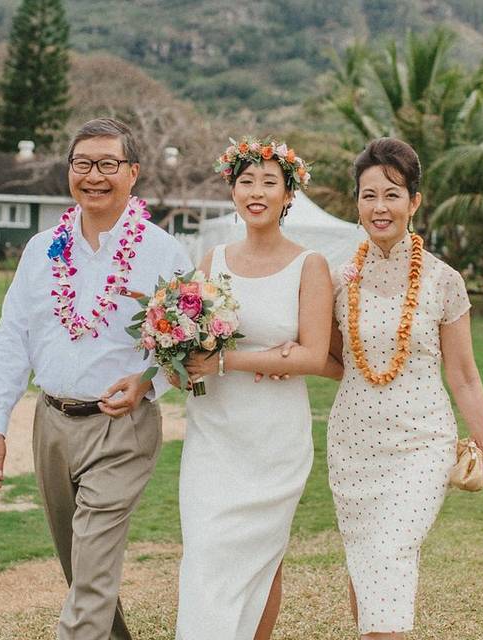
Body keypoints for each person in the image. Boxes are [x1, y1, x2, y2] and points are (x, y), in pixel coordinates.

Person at [0, 118, 193, 640]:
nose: (94, 176)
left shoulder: (163, 253)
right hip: (50, 423)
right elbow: (12, 337)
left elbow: (188, 343)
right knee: (82, 570)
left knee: (91, 571)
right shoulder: (41, 249)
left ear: (133, 173)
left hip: (122, 427)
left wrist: (148, 383)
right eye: (82, 164)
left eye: (108, 165)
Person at [326, 137, 483, 639]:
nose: (380, 207)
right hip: (353, 445)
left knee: (389, 552)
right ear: (356, 202)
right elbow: (332, 357)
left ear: (414, 202)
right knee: (365, 562)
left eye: (393, 194)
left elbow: (463, 373)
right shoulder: (338, 280)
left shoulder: (444, 280)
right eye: (369, 195)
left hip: (422, 443)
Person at [175, 137, 334, 639]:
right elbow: (185, 344)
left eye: (271, 182)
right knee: (203, 551)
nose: (257, 191)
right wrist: (178, 361)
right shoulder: (212, 260)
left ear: (290, 194)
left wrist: (227, 360)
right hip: (214, 435)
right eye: (247, 182)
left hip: (273, 438)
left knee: (264, 560)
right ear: (233, 191)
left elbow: (313, 354)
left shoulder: (311, 265)